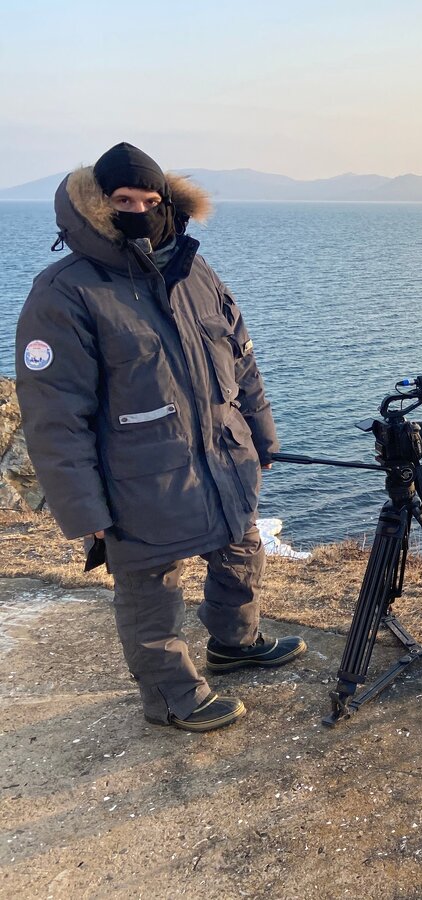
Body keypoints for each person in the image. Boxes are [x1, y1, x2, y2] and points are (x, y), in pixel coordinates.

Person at [15, 142, 305, 733]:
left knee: (240, 548)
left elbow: (242, 359)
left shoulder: (194, 270)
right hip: (135, 477)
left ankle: (235, 644)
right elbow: (54, 414)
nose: (140, 211)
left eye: (150, 200)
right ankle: (172, 697)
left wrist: (262, 435)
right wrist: (84, 509)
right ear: (99, 204)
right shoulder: (64, 291)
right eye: (124, 200)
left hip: (222, 457)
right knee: (150, 587)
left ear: (168, 201)